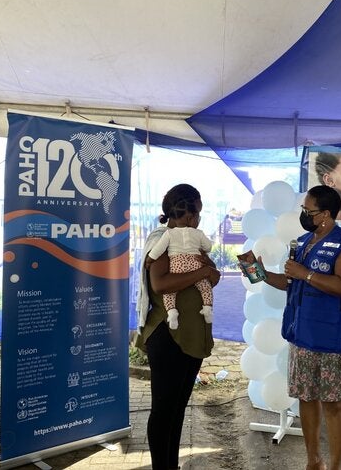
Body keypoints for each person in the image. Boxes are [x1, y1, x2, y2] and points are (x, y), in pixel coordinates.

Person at [250, 184, 341, 470]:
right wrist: (259, 273)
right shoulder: (301, 243)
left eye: (307, 210)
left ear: (325, 214)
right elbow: (291, 282)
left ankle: (335, 466)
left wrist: (306, 273)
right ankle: (314, 460)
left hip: (332, 338)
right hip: (301, 335)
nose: (303, 214)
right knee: (306, 397)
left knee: (334, 405)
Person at [135, 184, 221, 470]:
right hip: (168, 335)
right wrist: (201, 271)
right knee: (163, 411)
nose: (199, 218)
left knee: (178, 407)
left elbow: (214, 276)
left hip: (193, 334)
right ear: (188, 210)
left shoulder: (194, 240)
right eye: (198, 210)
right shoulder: (162, 239)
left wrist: (207, 271)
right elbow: (160, 284)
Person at [146, 205, 214, 329]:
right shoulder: (198, 233)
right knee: (205, 287)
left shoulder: (169, 233)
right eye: (198, 217)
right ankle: (208, 308)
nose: (198, 221)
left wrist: (149, 260)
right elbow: (208, 247)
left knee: (170, 293)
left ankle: (172, 313)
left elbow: (158, 249)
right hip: (195, 263)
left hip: (177, 264)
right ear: (190, 218)